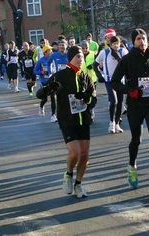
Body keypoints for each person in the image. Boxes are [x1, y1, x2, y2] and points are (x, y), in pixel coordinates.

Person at [111, 28, 149, 194]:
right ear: (133, 42)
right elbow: (114, 82)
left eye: (144, 39)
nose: (142, 42)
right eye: (138, 39)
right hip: (135, 105)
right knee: (136, 140)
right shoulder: (127, 60)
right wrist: (129, 90)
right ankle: (132, 166)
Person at [37, 46, 97, 198]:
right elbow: (40, 94)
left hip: (83, 119)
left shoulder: (86, 76)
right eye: (78, 57)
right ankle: (68, 174)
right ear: (70, 59)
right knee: (75, 153)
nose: (80, 60)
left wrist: (85, 96)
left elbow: (93, 98)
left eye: (82, 58)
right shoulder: (60, 76)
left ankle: (78, 184)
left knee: (84, 154)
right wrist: (47, 89)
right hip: (66, 119)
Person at [94, 36, 128, 133]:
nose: (116, 45)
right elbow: (94, 64)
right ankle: (111, 123)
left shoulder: (123, 51)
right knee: (114, 101)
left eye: (117, 43)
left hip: (120, 80)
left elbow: (127, 63)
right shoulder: (104, 52)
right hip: (109, 80)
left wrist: (119, 58)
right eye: (114, 44)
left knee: (121, 102)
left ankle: (117, 124)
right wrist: (99, 75)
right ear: (110, 44)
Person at [34, 45, 56, 118]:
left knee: (53, 97)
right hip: (44, 81)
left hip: (52, 80)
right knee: (45, 98)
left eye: (51, 50)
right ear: (45, 52)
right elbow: (35, 71)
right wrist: (42, 72)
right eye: (49, 50)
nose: (51, 52)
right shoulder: (41, 60)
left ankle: (53, 115)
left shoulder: (53, 58)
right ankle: (41, 106)